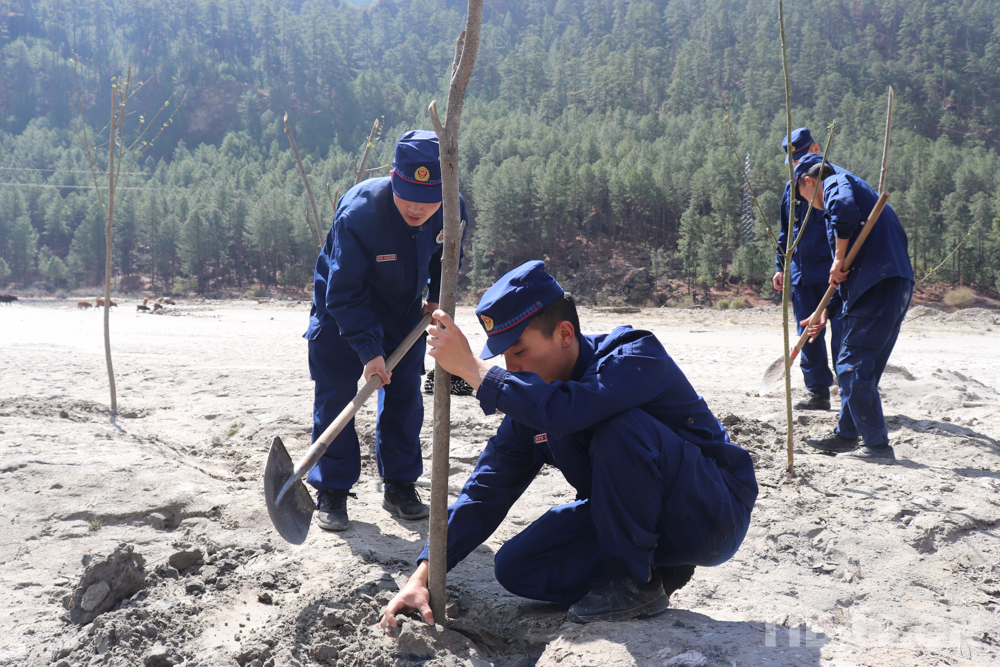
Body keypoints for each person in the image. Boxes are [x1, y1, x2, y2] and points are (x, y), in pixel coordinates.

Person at [379, 261, 758, 627]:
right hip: (643, 522)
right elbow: (484, 492)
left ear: (564, 334)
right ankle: (658, 569)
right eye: (504, 357)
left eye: (519, 351)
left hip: (712, 514)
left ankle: (633, 583)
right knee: (518, 567)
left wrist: (473, 369)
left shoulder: (636, 355)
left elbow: (568, 411)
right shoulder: (533, 406)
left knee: (618, 428)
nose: (512, 368)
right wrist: (422, 577)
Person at [304, 130, 468, 530]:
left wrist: (435, 297)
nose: (417, 207)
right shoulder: (360, 215)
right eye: (408, 194)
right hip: (340, 316)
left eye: (428, 199)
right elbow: (344, 293)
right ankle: (332, 490)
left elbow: (447, 258)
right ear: (394, 177)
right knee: (336, 397)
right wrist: (369, 351)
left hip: (404, 313)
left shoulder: (451, 209)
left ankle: (399, 485)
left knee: (405, 396)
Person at [794, 161, 914, 461]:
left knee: (851, 366)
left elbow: (843, 210)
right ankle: (847, 434)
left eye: (803, 196)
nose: (808, 205)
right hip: (891, 284)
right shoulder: (860, 194)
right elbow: (848, 273)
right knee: (863, 368)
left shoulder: (835, 183)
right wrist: (827, 309)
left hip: (877, 285)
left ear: (810, 181)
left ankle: (877, 446)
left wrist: (838, 256)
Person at [773, 128, 845, 411]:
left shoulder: (835, 181)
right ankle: (818, 393)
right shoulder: (791, 188)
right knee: (809, 334)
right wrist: (781, 266)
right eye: (794, 161)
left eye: (803, 157)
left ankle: (849, 393)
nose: (799, 164)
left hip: (834, 274)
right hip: (802, 275)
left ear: (816, 149)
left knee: (843, 334)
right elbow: (785, 231)